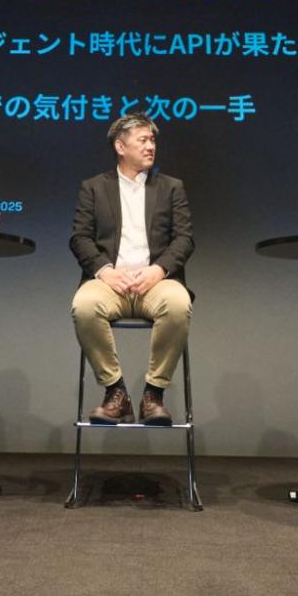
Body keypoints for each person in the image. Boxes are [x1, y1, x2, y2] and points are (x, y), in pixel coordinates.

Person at [68, 115, 193, 426]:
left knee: (178, 304)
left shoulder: (171, 187)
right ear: (120, 146)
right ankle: (116, 392)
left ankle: (154, 394)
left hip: (156, 282)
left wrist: (159, 270)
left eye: (153, 140)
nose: (151, 146)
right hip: (111, 282)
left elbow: (184, 239)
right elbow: (80, 238)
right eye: (143, 140)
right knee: (84, 306)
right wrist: (104, 270)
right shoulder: (94, 187)